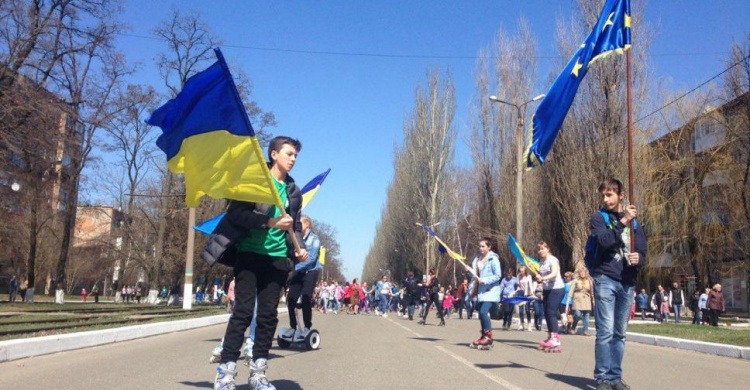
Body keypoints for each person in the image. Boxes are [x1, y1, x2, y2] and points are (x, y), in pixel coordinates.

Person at [207, 136, 308, 390]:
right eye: (288, 153)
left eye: (295, 155)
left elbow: (295, 226)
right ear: (274, 154)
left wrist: (300, 249)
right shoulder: (254, 181)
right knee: (242, 313)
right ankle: (226, 373)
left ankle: (258, 373)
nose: (293, 159)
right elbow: (236, 214)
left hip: (277, 260)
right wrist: (269, 222)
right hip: (250, 255)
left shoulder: (294, 191)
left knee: (267, 317)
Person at [588, 178, 646, 390]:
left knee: (620, 333)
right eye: (603, 195)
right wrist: (622, 222)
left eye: (610, 194)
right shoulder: (599, 218)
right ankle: (602, 378)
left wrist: (640, 258)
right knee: (605, 331)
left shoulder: (635, 221)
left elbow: (642, 249)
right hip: (606, 278)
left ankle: (615, 377)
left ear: (621, 195)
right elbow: (603, 241)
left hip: (627, 281)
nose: (606, 198)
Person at [463, 237, 501, 348]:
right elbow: (475, 276)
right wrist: (469, 270)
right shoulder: (477, 259)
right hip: (480, 292)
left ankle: (489, 337)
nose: (480, 248)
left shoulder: (493, 259)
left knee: (484, 312)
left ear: (489, 247)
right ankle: (484, 335)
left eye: (483, 246)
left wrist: (485, 280)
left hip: (491, 291)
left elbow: (498, 275)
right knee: (481, 314)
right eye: (479, 246)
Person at [286, 215, 321, 328]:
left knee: (306, 297)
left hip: (311, 271)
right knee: (291, 299)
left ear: (307, 224)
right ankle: (293, 326)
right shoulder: (296, 238)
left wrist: (294, 268)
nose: (297, 225)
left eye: (300, 223)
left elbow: (311, 259)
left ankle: (307, 326)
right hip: (299, 271)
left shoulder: (315, 239)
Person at [535, 241, 565, 352]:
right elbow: (541, 275)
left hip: (556, 289)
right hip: (547, 289)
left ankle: (555, 339)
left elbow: (554, 273)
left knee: (551, 312)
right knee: (547, 313)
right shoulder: (541, 261)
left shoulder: (553, 260)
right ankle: (550, 335)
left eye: (543, 248)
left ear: (548, 249)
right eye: (539, 249)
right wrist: (538, 276)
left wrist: (543, 278)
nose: (541, 251)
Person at [567, 267, 595, 336]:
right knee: (577, 314)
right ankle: (573, 328)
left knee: (586, 315)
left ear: (586, 273)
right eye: (581, 272)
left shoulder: (589, 281)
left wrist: (593, 300)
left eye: (584, 272)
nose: (582, 273)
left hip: (586, 300)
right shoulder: (575, 281)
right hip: (577, 300)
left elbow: (592, 291)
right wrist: (568, 301)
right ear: (579, 273)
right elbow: (571, 291)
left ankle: (585, 331)